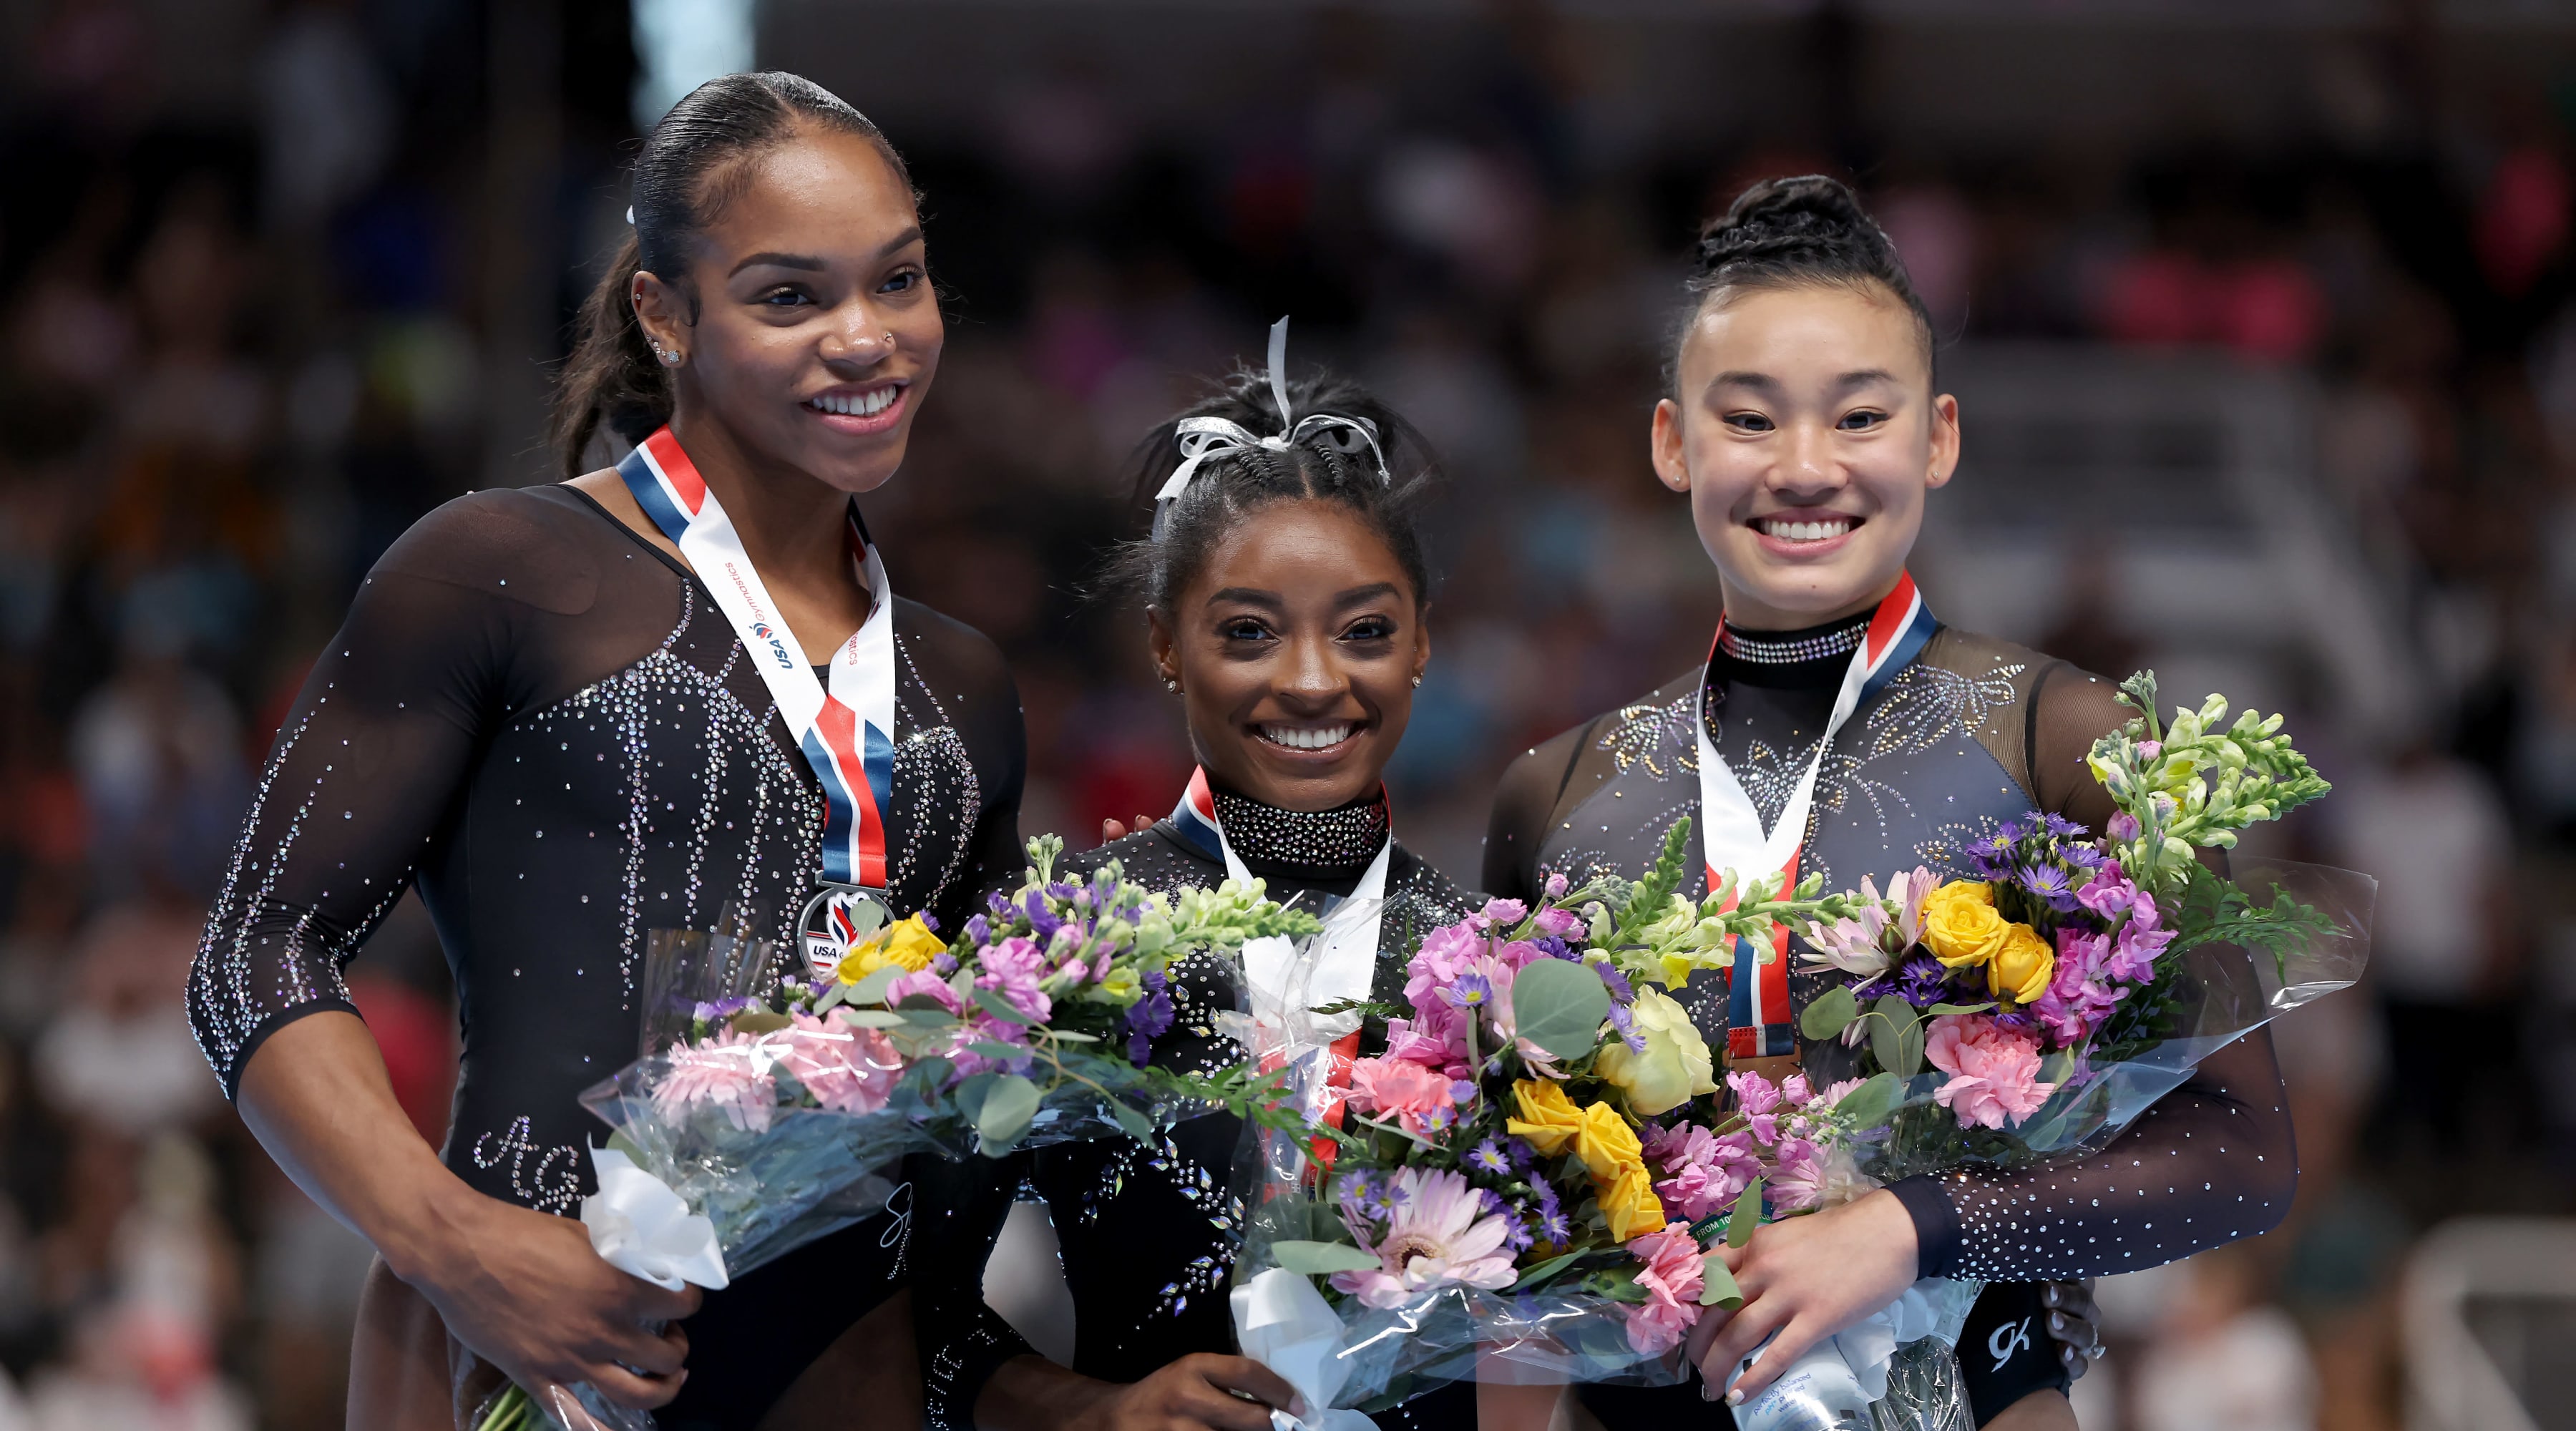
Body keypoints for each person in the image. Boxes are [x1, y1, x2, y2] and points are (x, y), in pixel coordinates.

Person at [184, 72, 1024, 1431]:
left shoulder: (963, 686)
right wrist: (457, 1248)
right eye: (790, 297)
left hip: (848, 1381)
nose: (867, 340)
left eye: (900, 280)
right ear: (664, 312)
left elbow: (957, 1138)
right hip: (530, 1352)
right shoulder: (504, 570)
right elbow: (252, 955)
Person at [1483, 177, 2294, 1427]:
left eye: (1861, 416)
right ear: (1671, 442)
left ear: (1938, 437)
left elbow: (2243, 1157)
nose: (1806, 469)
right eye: (1748, 421)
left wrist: (1914, 1228)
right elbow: (1517, 1223)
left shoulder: (2068, 739)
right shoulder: (1559, 790)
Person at [912, 338, 1478, 1431]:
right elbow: (903, 1300)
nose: (1313, 678)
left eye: (1364, 630)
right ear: (1167, 647)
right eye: (1249, 633)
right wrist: (1091, 1413)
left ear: (1420, 646)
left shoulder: (1501, 970)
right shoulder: (1063, 949)